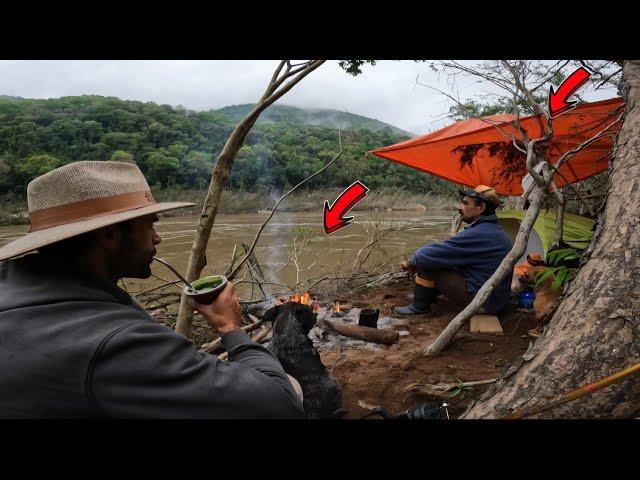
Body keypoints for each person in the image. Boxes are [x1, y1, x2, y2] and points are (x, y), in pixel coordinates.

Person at [0, 161, 305, 418]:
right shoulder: (118, 344)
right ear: (109, 234)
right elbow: (278, 403)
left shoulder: (13, 286)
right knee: (292, 386)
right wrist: (231, 328)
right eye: (150, 224)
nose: (157, 238)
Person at [394, 185, 512, 316]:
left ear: (481, 208)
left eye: (465, 203)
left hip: (483, 303)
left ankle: (419, 308)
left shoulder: (479, 233)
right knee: (443, 260)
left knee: (428, 262)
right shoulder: (491, 230)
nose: (459, 207)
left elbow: (424, 256)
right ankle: (426, 295)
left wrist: (411, 262)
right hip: (494, 300)